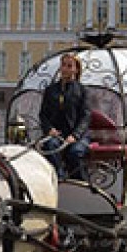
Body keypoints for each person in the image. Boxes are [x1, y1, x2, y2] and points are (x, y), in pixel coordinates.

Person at [39, 53, 92, 181]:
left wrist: (75, 136)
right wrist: (50, 130)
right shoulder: (51, 90)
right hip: (56, 134)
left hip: (77, 136)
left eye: (69, 66)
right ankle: (59, 178)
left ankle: (80, 182)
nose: (65, 69)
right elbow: (43, 114)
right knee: (51, 147)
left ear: (76, 69)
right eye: (63, 65)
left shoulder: (82, 90)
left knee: (75, 152)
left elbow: (86, 116)